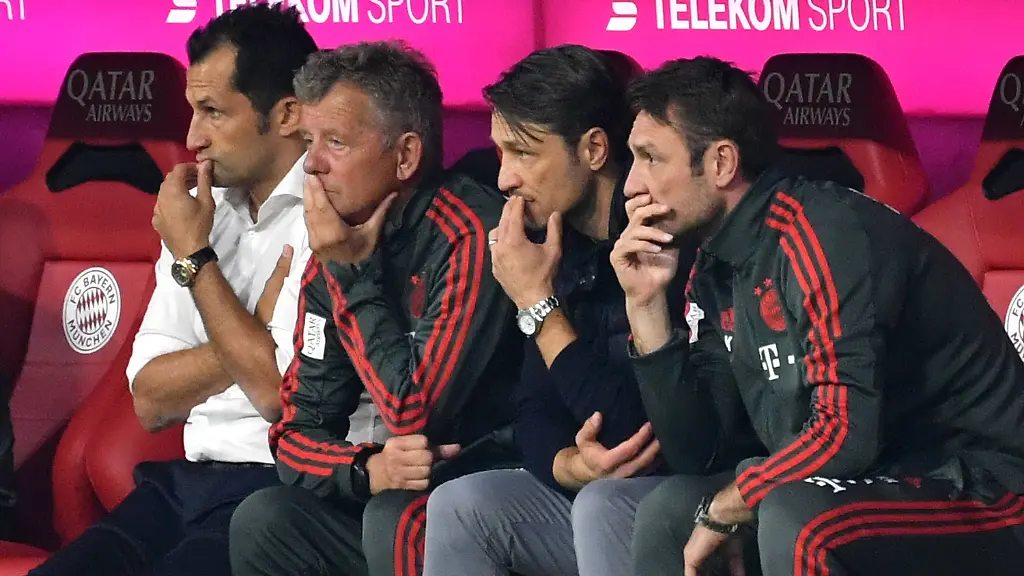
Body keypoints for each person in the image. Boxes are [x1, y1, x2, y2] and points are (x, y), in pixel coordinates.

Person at [615, 56, 1024, 576]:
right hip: (878, 479)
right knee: (669, 514)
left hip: (987, 486)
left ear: (720, 163)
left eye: (650, 158)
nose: (631, 185)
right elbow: (699, 453)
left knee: (798, 517)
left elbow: (844, 436)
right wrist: (646, 306)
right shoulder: (716, 263)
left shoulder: (823, 232)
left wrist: (736, 499)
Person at [26, 5, 317, 576]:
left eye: (214, 112)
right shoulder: (198, 212)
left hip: (282, 493)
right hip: (184, 484)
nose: (192, 138)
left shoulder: (329, 213)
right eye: (192, 111)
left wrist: (196, 261)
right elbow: (151, 401)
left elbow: (273, 393)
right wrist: (247, 335)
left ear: (286, 114)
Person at [229, 41, 523, 576]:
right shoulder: (338, 250)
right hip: (406, 487)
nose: (311, 165)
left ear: (405, 156)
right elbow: (295, 435)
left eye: (336, 142)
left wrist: (351, 274)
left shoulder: (471, 233)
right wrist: (366, 468)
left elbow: (415, 415)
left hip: (495, 486)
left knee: (397, 517)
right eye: (309, 142)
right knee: (265, 520)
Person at [422, 45, 690, 576]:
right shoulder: (555, 244)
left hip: (683, 493)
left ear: (593, 149)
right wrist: (567, 465)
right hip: (600, 491)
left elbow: (637, 434)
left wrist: (537, 306)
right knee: (460, 504)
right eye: (501, 154)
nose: (504, 179)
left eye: (523, 153)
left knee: (600, 504)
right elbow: (531, 411)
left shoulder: (660, 243)